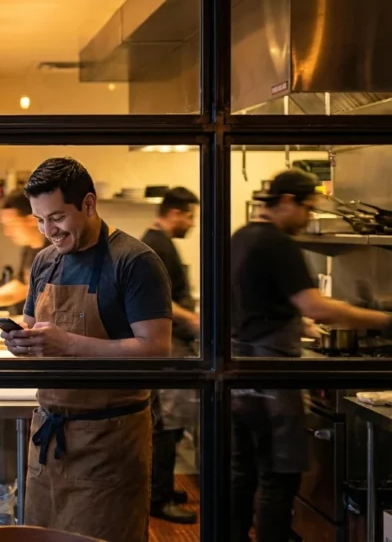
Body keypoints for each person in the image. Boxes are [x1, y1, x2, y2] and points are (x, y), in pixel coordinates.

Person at [0, 157, 173, 542]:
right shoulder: (45, 262)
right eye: (40, 220)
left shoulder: (135, 261)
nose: (49, 231)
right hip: (49, 439)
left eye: (57, 218)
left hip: (107, 443)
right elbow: (33, 326)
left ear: (89, 204)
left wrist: (68, 343)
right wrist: (20, 341)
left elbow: (157, 349)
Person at [230, 169, 392, 542]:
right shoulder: (276, 243)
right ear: (287, 201)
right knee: (278, 477)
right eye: (306, 208)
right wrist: (385, 320)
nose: (307, 217)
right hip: (270, 379)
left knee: (242, 475)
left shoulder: (242, 237)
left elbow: (254, 303)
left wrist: (295, 323)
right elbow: (316, 306)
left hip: (241, 375)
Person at [140, 187, 201, 525]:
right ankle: (158, 497)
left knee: (171, 424)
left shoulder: (158, 242)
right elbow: (162, 300)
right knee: (165, 424)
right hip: (168, 345)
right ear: (175, 213)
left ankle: (161, 488)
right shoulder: (157, 245)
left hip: (172, 344)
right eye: (189, 215)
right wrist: (195, 320)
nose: (191, 223)